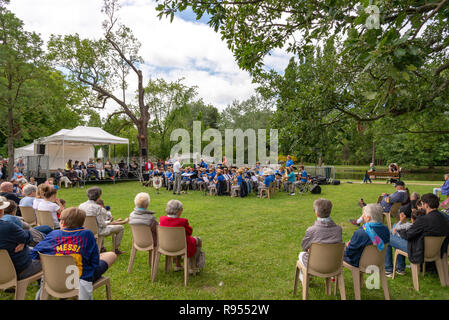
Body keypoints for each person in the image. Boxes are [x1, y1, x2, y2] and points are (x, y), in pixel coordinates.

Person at [31, 207, 117, 300]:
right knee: (111, 255)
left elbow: (35, 254)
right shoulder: (87, 234)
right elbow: (95, 261)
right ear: (82, 223)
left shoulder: (53, 234)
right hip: (81, 280)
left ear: (62, 223)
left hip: (54, 279)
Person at [385, 193, 449, 276]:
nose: (421, 207)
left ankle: (389, 269)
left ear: (426, 205)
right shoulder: (444, 218)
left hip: (418, 250)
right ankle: (400, 268)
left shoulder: (423, 219)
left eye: (422, 204)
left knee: (387, 236)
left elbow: (408, 235)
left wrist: (399, 232)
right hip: (437, 250)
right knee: (394, 230)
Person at [297, 198, 343, 283]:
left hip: (315, 265)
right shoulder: (338, 229)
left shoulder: (312, 230)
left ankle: (305, 278)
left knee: (301, 254)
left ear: (316, 213)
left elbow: (304, 246)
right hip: (334, 263)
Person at [0, 196, 42, 281]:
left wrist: (23, 241)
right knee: (47, 257)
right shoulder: (8, 227)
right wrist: (23, 240)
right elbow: (28, 237)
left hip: (5, 270)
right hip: (19, 270)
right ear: (1, 211)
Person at [79, 187, 127, 255]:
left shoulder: (81, 206)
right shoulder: (97, 207)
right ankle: (116, 249)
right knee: (121, 227)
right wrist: (109, 222)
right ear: (99, 197)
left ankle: (101, 247)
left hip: (84, 230)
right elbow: (102, 224)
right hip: (98, 231)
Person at [160, 200, 203, 273]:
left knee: (179, 239)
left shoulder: (162, 219)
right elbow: (189, 232)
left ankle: (178, 265)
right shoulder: (182, 222)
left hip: (166, 245)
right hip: (181, 245)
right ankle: (192, 266)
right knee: (198, 240)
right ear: (178, 211)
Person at [344, 203, 390, 268]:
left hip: (360, 263)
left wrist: (348, 246)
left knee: (339, 252)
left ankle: (333, 276)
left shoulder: (360, 233)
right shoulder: (386, 230)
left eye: (364, 215)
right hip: (379, 261)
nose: (362, 217)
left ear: (368, 218)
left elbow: (349, 253)